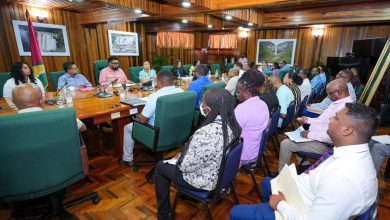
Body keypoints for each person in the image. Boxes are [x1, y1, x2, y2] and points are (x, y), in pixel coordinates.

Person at [230, 102, 379, 219]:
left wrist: (280, 205)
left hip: (299, 207)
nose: (330, 119)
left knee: (235, 212)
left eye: (335, 118)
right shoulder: (349, 153)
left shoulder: (344, 178)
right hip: (303, 194)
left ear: (347, 130)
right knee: (266, 183)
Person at [155, 88, 241, 220]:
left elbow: (185, 167)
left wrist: (180, 158)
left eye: (203, 104)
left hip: (204, 182)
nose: (202, 106)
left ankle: (164, 214)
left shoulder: (206, 133)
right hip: (220, 175)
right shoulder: (233, 125)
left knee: (160, 167)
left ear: (210, 109)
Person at [278, 79, 353, 171]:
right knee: (295, 139)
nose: (328, 96)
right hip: (318, 138)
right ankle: (304, 166)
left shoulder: (344, 108)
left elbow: (331, 136)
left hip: (324, 144)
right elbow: (322, 121)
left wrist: (309, 134)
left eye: (329, 93)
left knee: (285, 144)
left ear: (339, 92)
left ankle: (281, 174)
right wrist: (308, 120)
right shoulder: (338, 103)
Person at [121, 70, 183, 166]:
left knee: (127, 127)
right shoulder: (181, 92)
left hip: (157, 133)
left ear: (161, 83)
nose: (155, 83)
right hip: (177, 130)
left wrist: (137, 116)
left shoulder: (155, 97)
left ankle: (127, 159)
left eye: (156, 81)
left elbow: (142, 120)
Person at [12, 83, 86, 132]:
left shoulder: (5, 123)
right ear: (42, 101)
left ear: (13, 101)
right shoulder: (64, 114)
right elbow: (83, 128)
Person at [235, 70, 269, 164]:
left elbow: (231, 132)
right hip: (255, 150)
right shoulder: (263, 104)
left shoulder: (242, 109)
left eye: (237, 92)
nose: (236, 94)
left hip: (243, 155)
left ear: (246, 93)